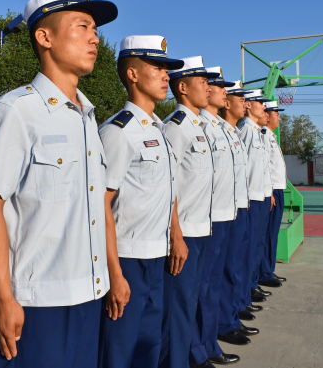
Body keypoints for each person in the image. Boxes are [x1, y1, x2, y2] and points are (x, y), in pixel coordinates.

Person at [0, 0, 118, 368]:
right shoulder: (16, 111)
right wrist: (3, 297)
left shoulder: (88, 118)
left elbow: (96, 206)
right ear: (45, 37)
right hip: (40, 302)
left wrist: (111, 275)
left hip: (90, 293)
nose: (95, 39)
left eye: (95, 30)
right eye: (82, 27)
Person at [98, 35, 185, 368]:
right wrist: (114, 273)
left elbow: (167, 191)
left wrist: (176, 235)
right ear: (132, 74)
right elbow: (100, 205)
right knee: (120, 348)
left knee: (150, 344)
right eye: (158, 67)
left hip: (156, 255)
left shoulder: (159, 130)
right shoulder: (118, 131)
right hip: (128, 258)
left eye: (167, 69)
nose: (166, 76)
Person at [159, 56, 219, 368]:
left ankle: (188, 356)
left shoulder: (198, 126)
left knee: (190, 300)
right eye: (203, 82)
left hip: (200, 228)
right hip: (183, 233)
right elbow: (167, 185)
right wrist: (176, 234)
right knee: (178, 306)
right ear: (182, 87)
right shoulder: (175, 127)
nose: (208, 88)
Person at [189, 67, 240, 368]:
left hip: (220, 213)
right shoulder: (196, 126)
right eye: (215, 85)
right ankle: (199, 347)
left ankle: (209, 342)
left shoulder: (218, 127)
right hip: (203, 218)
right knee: (203, 286)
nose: (220, 91)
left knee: (212, 284)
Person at [216, 80, 260, 341]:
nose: (245, 104)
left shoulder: (232, 132)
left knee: (237, 263)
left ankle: (232, 313)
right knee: (227, 269)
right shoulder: (225, 130)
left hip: (239, 205)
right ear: (227, 103)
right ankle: (226, 320)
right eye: (240, 99)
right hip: (223, 211)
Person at [237, 89, 274, 313]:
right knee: (247, 248)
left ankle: (250, 286)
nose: (263, 106)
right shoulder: (245, 130)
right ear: (249, 105)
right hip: (250, 198)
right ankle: (245, 291)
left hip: (259, 196)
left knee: (256, 244)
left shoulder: (256, 131)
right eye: (259, 102)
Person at [258, 102, 288, 287]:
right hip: (272, 190)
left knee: (273, 232)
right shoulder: (263, 136)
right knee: (268, 233)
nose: (279, 117)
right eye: (276, 114)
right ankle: (265, 272)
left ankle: (268, 269)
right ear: (267, 116)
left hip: (277, 188)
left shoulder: (271, 137)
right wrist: (269, 192)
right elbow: (265, 167)